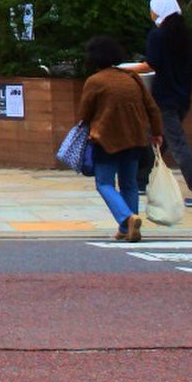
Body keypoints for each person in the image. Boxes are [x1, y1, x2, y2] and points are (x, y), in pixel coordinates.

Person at [77, 35, 163, 242]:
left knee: (104, 183)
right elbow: (151, 107)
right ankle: (129, 229)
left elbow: (84, 114)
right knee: (130, 184)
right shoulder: (131, 78)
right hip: (135, 138)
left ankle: (126, 219)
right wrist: (157, 132)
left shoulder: (95, 81)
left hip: (106, 139)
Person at [141, 0, 192, 208]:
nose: (151, 12)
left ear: (159, 9)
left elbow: (151, 65)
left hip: (164, 98)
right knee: (159, 139)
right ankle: (140, 179)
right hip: (183, 97)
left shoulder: (158, 36)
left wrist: (125, 70)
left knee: (177, 145)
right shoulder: (185, 35)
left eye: (152, 8)